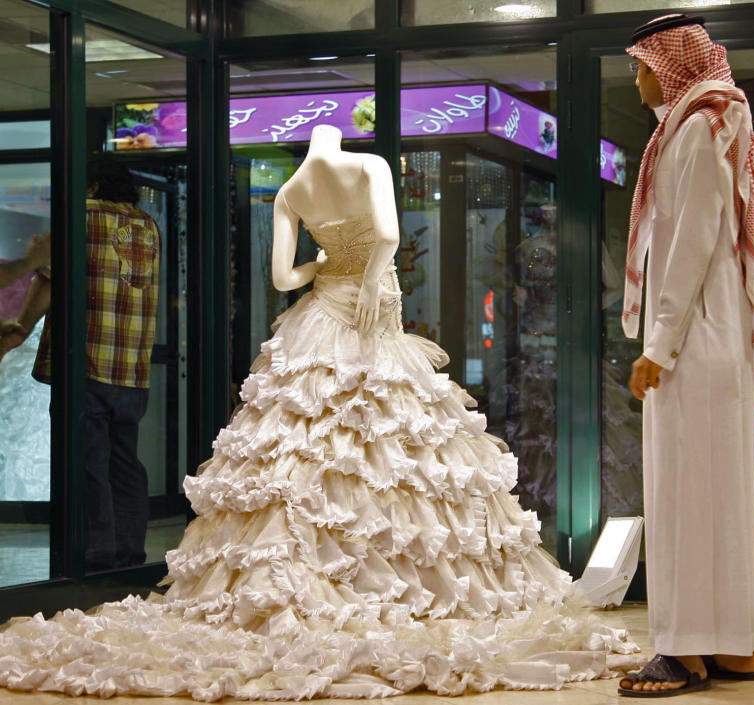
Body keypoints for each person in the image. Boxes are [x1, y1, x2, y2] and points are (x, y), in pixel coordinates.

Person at [0, 125, 640, 700]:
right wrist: (366, 277)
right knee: (400, 443)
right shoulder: (370, 168)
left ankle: (329, 569)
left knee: (314, 440)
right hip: (370, 311)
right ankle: (387, 575)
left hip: (324, 308)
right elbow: (387, 235)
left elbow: (282, 280)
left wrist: (326, 265)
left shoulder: (292, 190)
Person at [617, 14, 754, 697]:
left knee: (682, 493)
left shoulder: (696, 126)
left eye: (642, 62)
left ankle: (682, 651)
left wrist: (657, 346)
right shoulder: (712, 119)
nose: (637, 76)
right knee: (721, 495)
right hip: (718, 339)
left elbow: (692, 240)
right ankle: (733, 645)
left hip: (695, 340)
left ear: (670, 61)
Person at [0, 161, 161, 571]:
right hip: (132, 368)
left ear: (89, 182)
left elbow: (49, 277)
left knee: (87, 464)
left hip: (85, 364)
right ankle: (129, 554)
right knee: (125, 463)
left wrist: (22, 325)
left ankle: (94, 556)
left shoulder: (81, 217)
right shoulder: (147, 225)